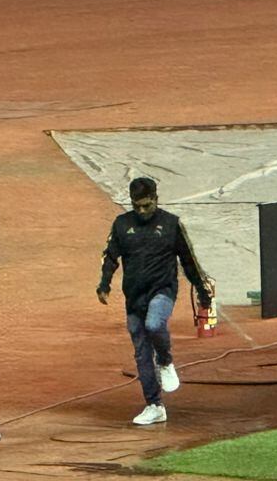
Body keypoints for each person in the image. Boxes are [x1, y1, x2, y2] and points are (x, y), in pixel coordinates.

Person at [96, 177, 214, 427]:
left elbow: (189, 261)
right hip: (134, 296)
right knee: (140, 353)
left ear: (156, 200)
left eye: (147, 206)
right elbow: (110, 256)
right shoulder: (121, 224)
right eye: (137, 206)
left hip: (163, 289)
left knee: (154, 324)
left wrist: (202, 291)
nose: (141, 211)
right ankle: (154, 405)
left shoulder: (171, 224)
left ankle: (165, 360)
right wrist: (104, 284)